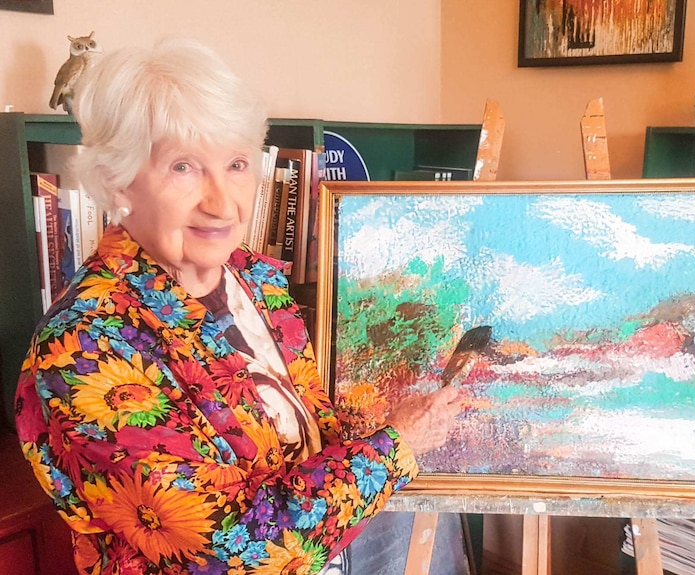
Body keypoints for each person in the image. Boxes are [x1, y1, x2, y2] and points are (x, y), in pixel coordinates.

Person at [15, 38, 465, 574]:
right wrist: (395, 446)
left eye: (236, 163)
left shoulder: (253, 278)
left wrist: (386, 417)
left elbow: (306, 426)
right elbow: (227, 549)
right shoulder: (85, 344)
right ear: (119, 183)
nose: (222, 202)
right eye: (183, 167)